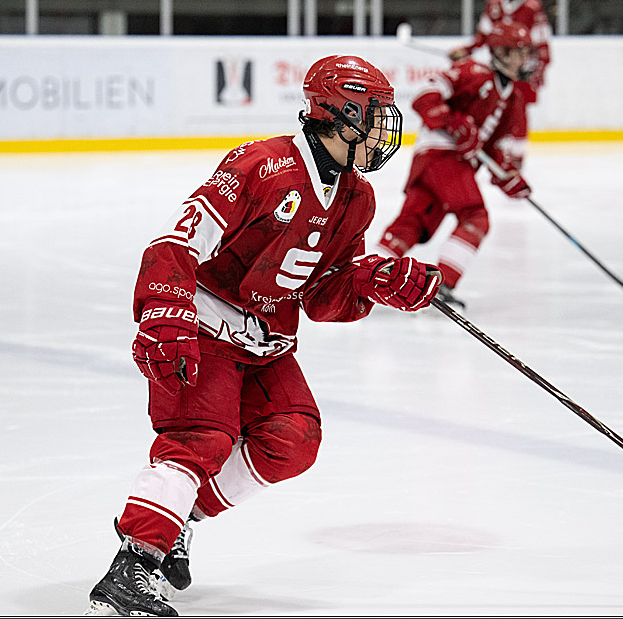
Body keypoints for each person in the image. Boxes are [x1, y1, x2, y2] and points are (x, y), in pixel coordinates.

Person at [86, 55, 442, 616]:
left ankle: (178, 518)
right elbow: (176, 241)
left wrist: (372, 280)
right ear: (339, 114)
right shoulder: (263, 165)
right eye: (373, 119)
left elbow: (321, 294)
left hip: (265, 338)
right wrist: (164, 310)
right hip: (202, 326)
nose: (382, 134)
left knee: (293, 437)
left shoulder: (357, 199)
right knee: (200, 437)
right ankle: (131, 567)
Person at [376, 19, 537, 309]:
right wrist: (451, 121)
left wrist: (509, 177)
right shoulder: (472, 72)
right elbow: (424, 97)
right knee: (475, 216)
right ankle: (443, 286)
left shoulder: (513, 99)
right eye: (520, 51)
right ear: (502, 52)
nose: (526, 58)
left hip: (441, 164)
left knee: (411, 225)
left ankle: (363, 276)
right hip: (441, 156)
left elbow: (493, 151)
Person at [449, 0, 552, 92]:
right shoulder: (493, 3)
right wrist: (466, 51)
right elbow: (482, 36)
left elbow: (542, 46)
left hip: (524, 71)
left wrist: (537, 73)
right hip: (498, 69)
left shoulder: (532, 7)